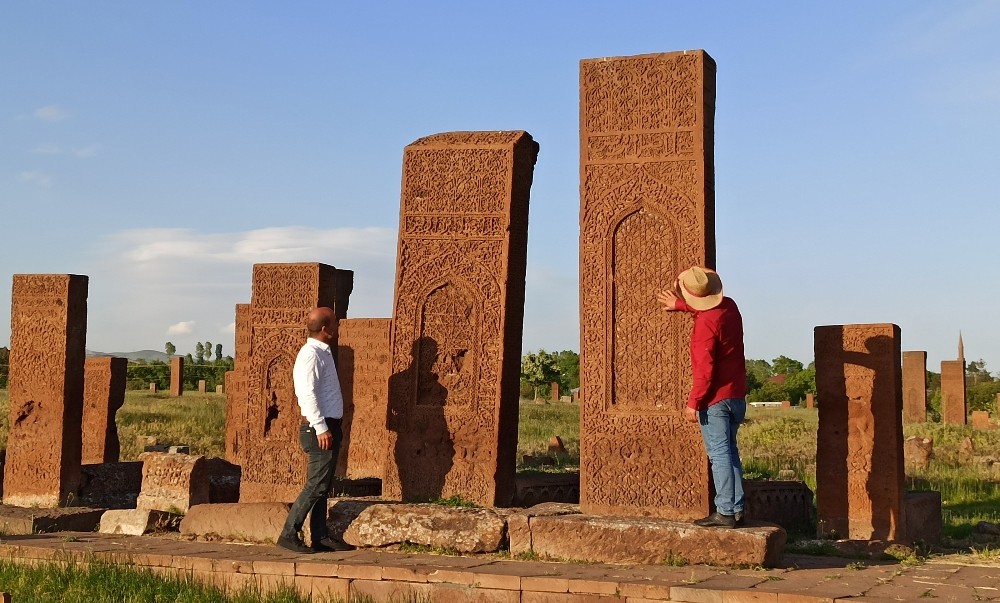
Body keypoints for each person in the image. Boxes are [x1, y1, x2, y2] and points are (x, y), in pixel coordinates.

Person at [657, 266, 747, 528]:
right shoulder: (730, 307)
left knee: (719, 455)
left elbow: (705, 372)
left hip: (715, 400)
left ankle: (725, 511)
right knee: (731, 452)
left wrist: (692, 403)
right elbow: (709, 311)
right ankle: (737, 508)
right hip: (737, 396)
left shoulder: (704, 328)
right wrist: (683, 305)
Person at [277, 306, 347, 553]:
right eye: (336, 324)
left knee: (323, 486)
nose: (339, 327)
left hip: (329, 425)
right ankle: (288, 533)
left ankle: (320, 536)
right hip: (319, 428)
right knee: (316, 485)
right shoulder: (310, 355)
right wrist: (320, 427)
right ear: (326, 329)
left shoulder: (323, 352)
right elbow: (307, 393)